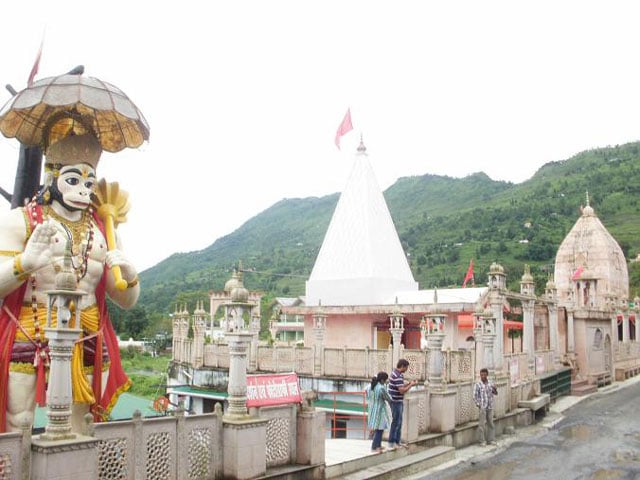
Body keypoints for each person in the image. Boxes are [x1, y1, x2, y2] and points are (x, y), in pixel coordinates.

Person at [0, 132, 139, 433]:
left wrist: (130, 276)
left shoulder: (103, 231)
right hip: (32, 328)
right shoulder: (20, 221)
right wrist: (25, 264)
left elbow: (124, 299)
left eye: (90, 183)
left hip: (88, 332)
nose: (83, 190)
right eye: (73, 180)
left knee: (81, 422)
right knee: (19, 420)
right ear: (51, 176)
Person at [387, 358, 418, 449]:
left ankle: (397, 442)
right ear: (403, 366)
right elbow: (401, 391)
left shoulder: (394, 373)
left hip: (395, 400)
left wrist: (408, 383)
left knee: (398, 422)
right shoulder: (398, 376)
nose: (407, 369)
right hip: (396, 401)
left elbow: (399, 386)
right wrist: (411, 385)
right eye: (406, 367)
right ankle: (393, 442)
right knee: (396, 422)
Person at [366, 371, 392, 453]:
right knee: (379, 429)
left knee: (377, 428)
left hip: (372, 409)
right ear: (382, 380)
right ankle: (374, 447)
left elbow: (366, 394)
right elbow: (388, 398)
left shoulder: (370, 386)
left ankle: (378, 446)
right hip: (380, 411)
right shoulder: (381, 388)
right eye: (385, 380)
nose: (386, 381)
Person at [473, 367, 498, 446]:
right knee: (482, 424)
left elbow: (495, 393)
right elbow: (475, 396)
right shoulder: (478, 384)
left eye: (484, 374)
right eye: (481, 375)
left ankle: (491, 440)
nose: (483, 376)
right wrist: (479, 405)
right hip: (483, 407)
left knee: (490, 423)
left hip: (490, 406)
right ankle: (482, 441)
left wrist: (494, 389)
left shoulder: (490, 383)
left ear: (487, 375)